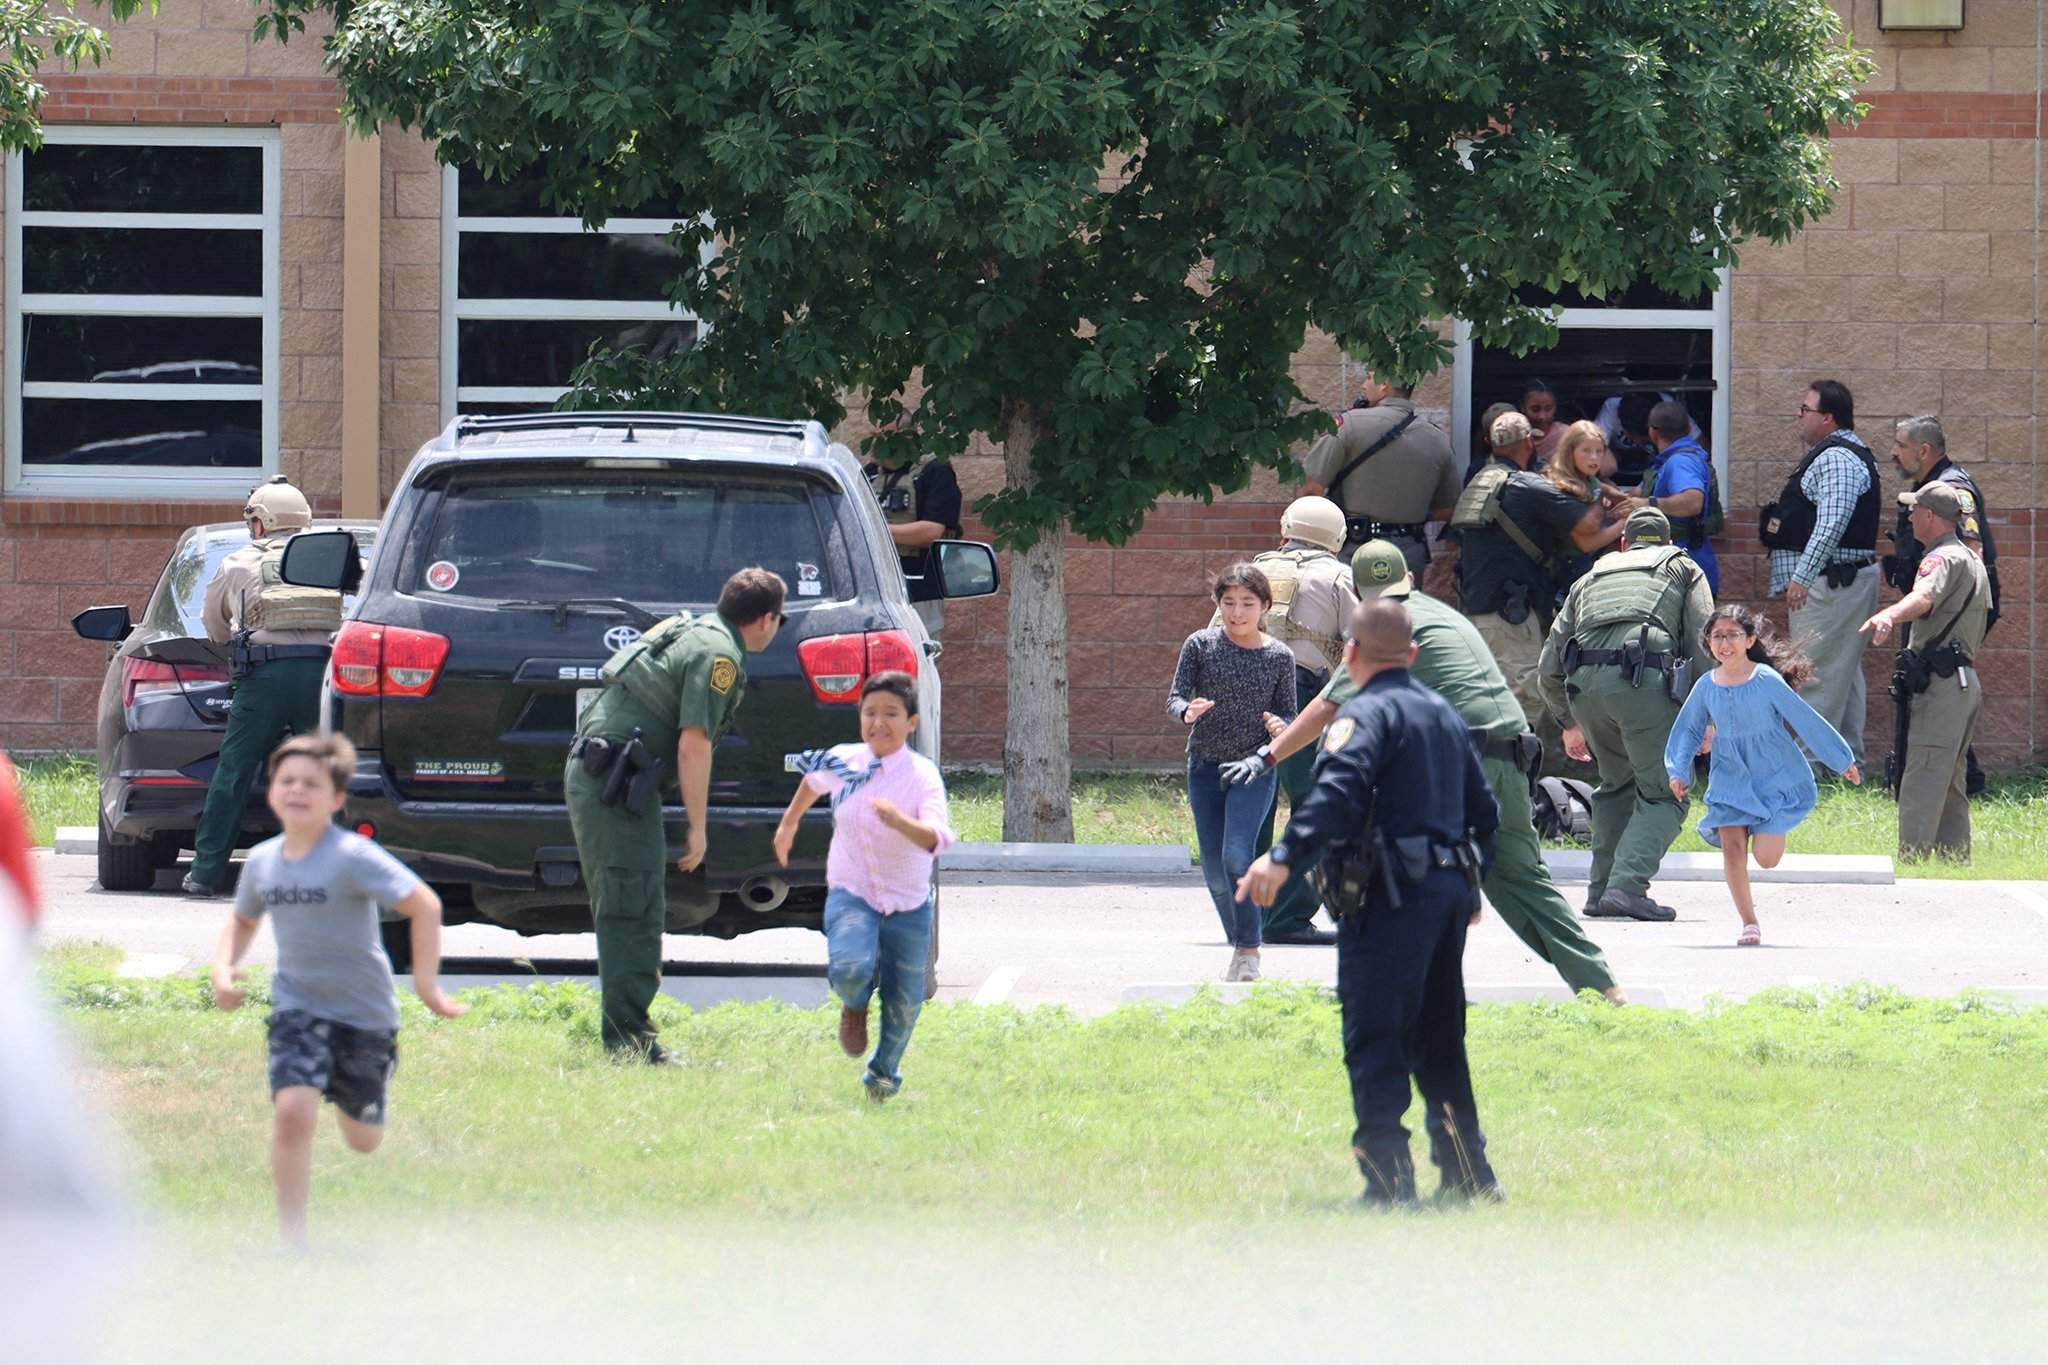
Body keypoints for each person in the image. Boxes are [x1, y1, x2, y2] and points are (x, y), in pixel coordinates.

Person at [1227, 541, 1626, 1002]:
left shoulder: (1380, 627)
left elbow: (1328, 707)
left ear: (1357, 590)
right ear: (1410, 580)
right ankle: (1602, 987)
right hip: (1511, 755)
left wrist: (1268, 755)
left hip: (1453, 764)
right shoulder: (1448, 616)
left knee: (1369, 857)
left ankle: (1380, 982)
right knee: (1522, 881)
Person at [1236, 597, 1502, 1206]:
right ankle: (1469, 1176)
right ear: (1411, 655)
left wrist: (1281, 857)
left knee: (1376, 1036)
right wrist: (1468, 885)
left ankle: (1388, 1187)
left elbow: (1336, 798)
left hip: (1387, 897)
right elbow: (1487, 814)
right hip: (1444, 893)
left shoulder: (1361, 717)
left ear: (1350, 655)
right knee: (1440, 1038)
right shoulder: (1442, 714)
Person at [208, 734, 466, 1250]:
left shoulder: (353, 856)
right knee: (292, 1110)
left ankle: (368, 1100)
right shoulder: (262, 861)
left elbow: (425, 906)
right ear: (272, 792)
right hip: (298, 1008)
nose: (297, 791)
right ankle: (292, 1241)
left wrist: (427, 987)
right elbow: (241, 921)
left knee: (362, 1139)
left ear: (337, 799)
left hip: (364, 1017)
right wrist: (223, 969)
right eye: (288, 781)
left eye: (312, 783)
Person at [566, 567, 787, 1062]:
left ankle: (627, 1032)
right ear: (767, 619)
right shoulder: (720, 654)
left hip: (610, 777)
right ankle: (628, 1043)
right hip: (612, 783)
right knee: (633, 909)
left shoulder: (691, 628)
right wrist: (699, 828)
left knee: (634, 903)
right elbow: (694, 743)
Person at [773, 672, 954, 1102]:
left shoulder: (921, 776)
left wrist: (899, 821)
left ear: (911, 722)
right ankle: (854, 1005)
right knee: (850, 967)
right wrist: (789, 822)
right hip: (851, 891)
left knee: (905, 998)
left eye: (890, 714)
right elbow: (812, 781)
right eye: (870, 713)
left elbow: (937, 839)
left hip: (908, 904)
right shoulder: (843, 760)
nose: (878, 723)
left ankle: (884, 1075)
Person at [1535, 507, 1715, 922]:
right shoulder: (1682, 568)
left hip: (1585, 691)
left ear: (1623, 543)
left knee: (1616, 785)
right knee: (1666, 790)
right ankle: (1627, 887)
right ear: (1667, 543)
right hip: (1643, 687)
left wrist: (1568, 723)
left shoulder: (1590, 577)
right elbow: (1704, 641)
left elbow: (1548, 665)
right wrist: (1708, 717)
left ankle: (1599, 892)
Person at [1665, 606, 1859, 947]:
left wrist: (1840, 759)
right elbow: (1687, 730)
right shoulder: (1705, 686)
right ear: (1708, 642)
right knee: (1733, 848)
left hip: (1774, 773)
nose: (1725, 643)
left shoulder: (1766, 680)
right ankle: (1749, 923)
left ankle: (1763, 822)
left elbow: (1804, 718)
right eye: (1717, 636)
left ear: (1750, 640)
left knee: (1767, 859)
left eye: (1733, 635)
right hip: (1729, 775)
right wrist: (1678, 771)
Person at [184, 476, 341, 897]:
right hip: (321, 678)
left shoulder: (238, 563)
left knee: (233, 773)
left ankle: (205, 873)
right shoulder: (330, 561)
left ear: (261, 524)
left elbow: (214, 626)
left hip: (263, 679)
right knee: (324, 775)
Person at [1226, 497, 1360, 944]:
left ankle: (1246, 916)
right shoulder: (1339, 576)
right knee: (1317, 805)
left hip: (1240, 690)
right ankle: (1286, 917)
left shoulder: (1253, 572)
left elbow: (1214, 637)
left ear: (1285, 532)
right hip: (1303, 696)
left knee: (1251, 807)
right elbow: (1361, 646)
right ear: (1336, 540)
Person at [1167, 564, 1298, 981]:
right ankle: (1240, 939)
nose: (1237, 612)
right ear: (1217, 604)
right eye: (1228, 603)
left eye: (1247, 604)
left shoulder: (1279, 656)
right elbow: (1174, 698)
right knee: (1213, 870)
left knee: (1237, 856)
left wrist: (1280, 726)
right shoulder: (1200, 645)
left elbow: (1290, 714)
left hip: (1254, 768)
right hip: (1205, 766)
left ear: (1265, 607)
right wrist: (1186, 712)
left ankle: (1248, 950)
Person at [1452, 410, 1610, 731]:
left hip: (1479, 605)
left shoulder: (1482, 480)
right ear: (1528, 442)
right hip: (1510, 613)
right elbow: (1588, 524)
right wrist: (1599, 493)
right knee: (1524, 695)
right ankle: (1514, 774)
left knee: (1489, 693)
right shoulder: (1525, 485)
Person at [1860, 484, 1992, 860]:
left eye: (1914, 509)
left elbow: (1924, 597)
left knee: (1922, 772)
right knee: (1949, 779)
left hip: (1942, 683)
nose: (1909, 516)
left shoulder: (1940, 559)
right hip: (1962, 682)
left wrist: (1889, 613)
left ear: (1931, 516)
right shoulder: (1971, 558)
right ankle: (1952, 861)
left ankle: (1912, 859)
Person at [1762, 379, 1881, 769]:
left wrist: (1803, 575)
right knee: (1842, 672)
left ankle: (1812, 765)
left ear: (1827, 417)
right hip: (1836, 579)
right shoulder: (1838, 454)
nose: (1799, 416)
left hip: (1830, 582)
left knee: (1814, 672)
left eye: (1805, 410)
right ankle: (1846, 763)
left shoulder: (1837, 458)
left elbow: (1832, 521)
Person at [1885, 415, 2000, 797]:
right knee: (1924, 686)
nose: (1893, 453)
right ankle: (1944, 779)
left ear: (1923, 450)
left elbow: (1971, 552)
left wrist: (1936, 599)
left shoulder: (1953, 490)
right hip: (1933, 601)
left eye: (1900, 445)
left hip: (1948, 609)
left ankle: (1957, 781)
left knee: (1936, 685)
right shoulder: (1930, 487)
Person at [1301, 368, 1461, 574]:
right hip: (1409, 551)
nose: (1363, 385)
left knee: (1352, 606)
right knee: (1402, 607)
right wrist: (1413, 514)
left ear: (1385, 383)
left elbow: (1312, 490)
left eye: (1368, 378)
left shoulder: (1349, 424)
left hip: (1356, 548)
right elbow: (1450, 509)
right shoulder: (1437, 438)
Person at [863, 444, 963, 634]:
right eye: (872, 434)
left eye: (881, 437)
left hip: (918, 589)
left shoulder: (934, 471)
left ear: (905, 438)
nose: (873, 443)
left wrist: (874, 531)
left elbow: (931, 532)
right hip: (872, 586)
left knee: (919, 655)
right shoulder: (868, 474)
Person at [1542, 420, 1631, 595]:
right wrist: (1624, 522)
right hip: (1570, 570)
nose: (1594, 458)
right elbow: (1586, 544)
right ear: (1570, 452)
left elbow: (1598, 486)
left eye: (1599, 451)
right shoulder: (1564, 488)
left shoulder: (1587, 477)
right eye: (1586, 451)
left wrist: (1615, 495)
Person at [1641, 399, 1720, 595]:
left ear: (1653, 431)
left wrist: (1648, 504)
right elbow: (1637, 493)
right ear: (1687, 429)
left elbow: (1693, 502)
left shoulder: (1680, 462)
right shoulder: (1669, 461)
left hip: (1684, 570)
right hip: (1681, 567)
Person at [1520, 378, 1565, 464]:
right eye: (1535, 409)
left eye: (1548, 409)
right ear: (1523, 407)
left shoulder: (1565, 436)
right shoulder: (1514, 438)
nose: (1542, 416)